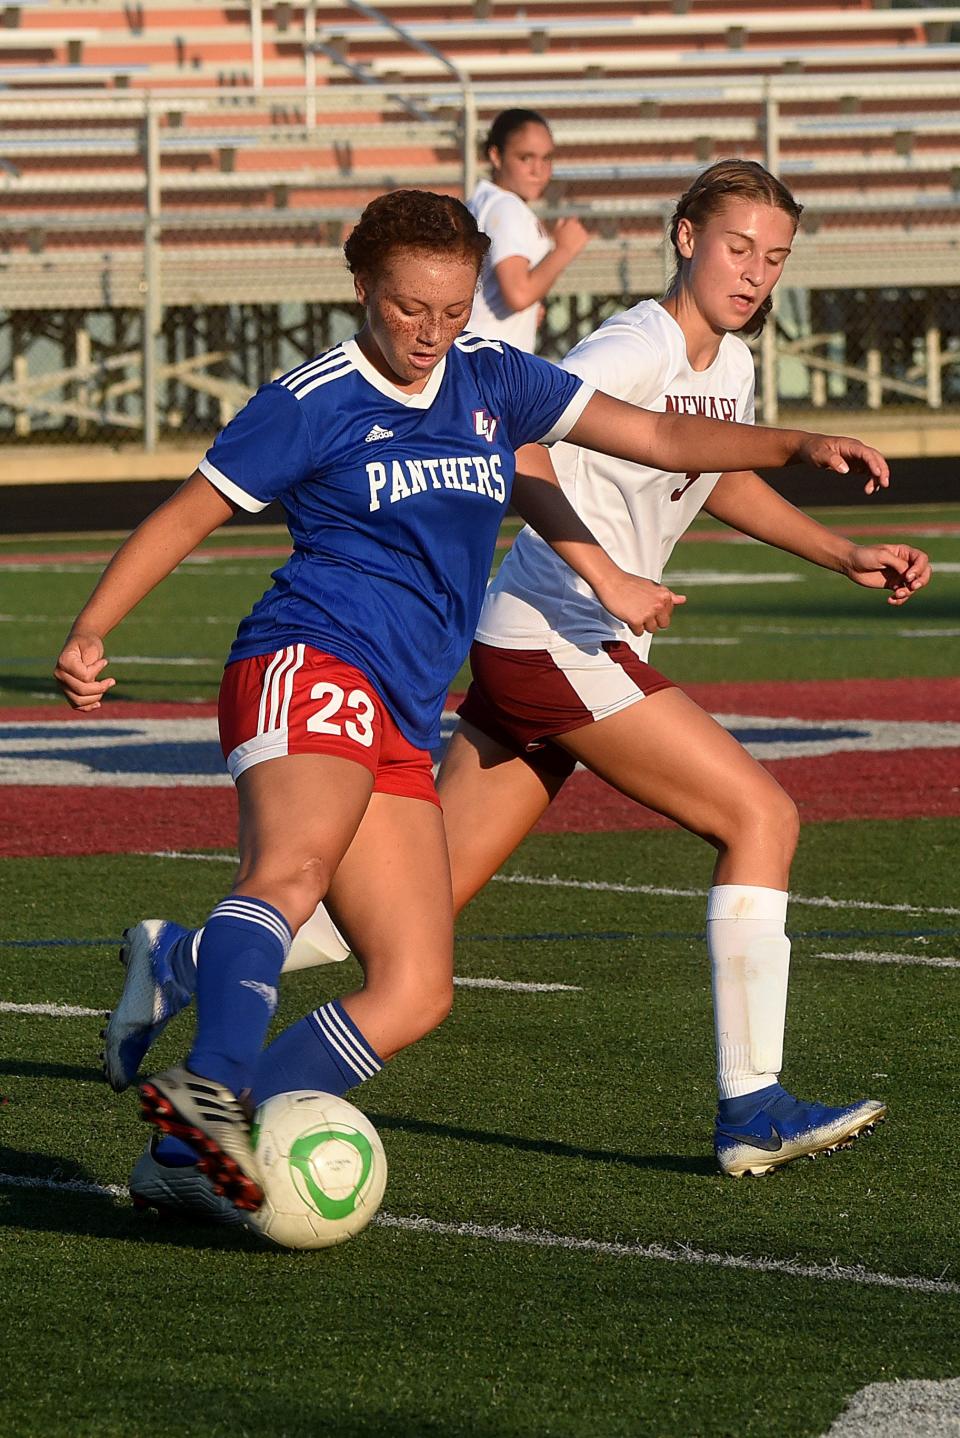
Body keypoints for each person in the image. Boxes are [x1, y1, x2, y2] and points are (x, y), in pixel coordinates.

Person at [60, 186, 894, 1220]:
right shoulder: (314, 397)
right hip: (308, 657)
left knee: (415, 987)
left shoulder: (494, 377)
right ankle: (211, 1084)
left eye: (453, 311)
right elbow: (188, 512)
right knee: (293, 866)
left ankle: (187, 1144)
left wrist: (796, 443)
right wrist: (95, 627)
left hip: (411, 703)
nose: (432, 332)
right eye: (411, 308)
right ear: (364, 286)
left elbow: (665, 443)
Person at [467, 108, 590, 352]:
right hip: (491, 364)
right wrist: (564, 250)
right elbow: (519, 294)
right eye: (525, 158)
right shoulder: (506, 206)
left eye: (547, 158)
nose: (538, 170)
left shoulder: (484, 201)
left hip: (474, 356)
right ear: (496, 156)